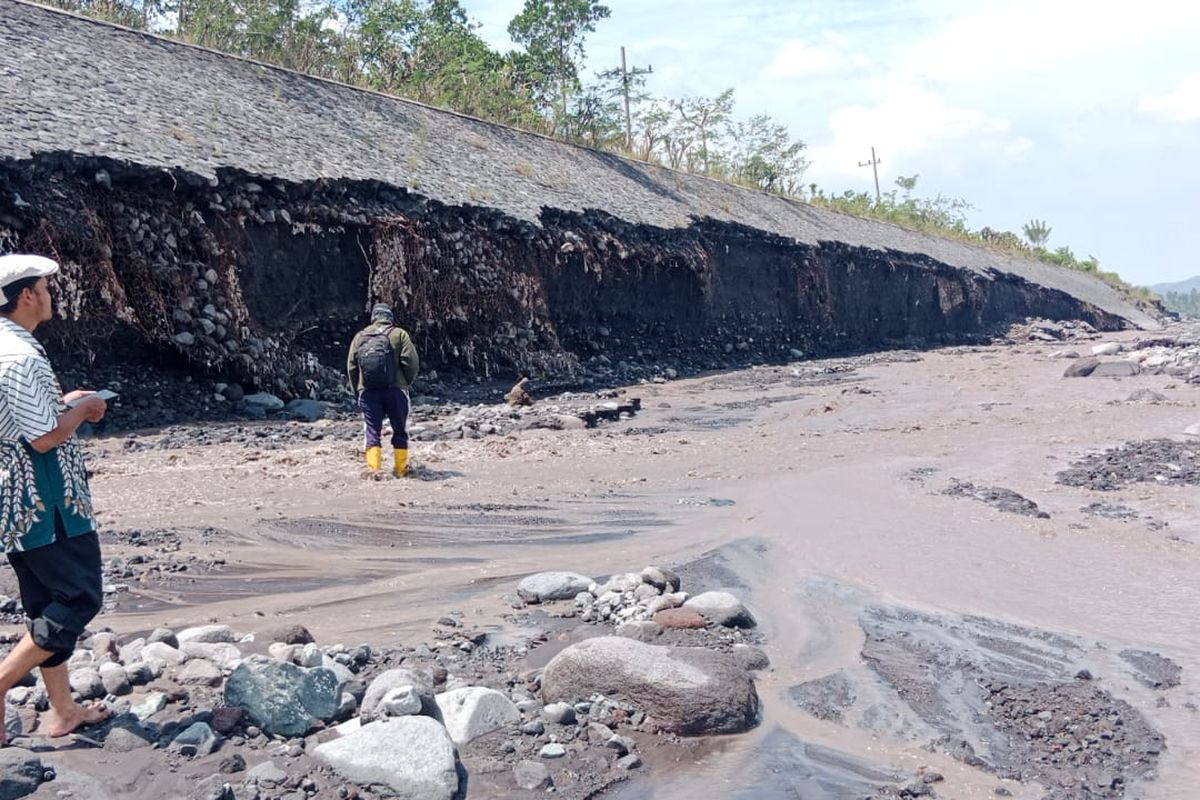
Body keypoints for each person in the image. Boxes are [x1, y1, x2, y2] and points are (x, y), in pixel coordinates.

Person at [0, 254, 111, 745]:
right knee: (78, 597)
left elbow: (27, 419)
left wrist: (65, 403)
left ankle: (64, 711)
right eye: (46, 286)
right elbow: (43, 437)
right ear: (27, 295)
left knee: (45, 604)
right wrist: (84, 410)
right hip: (49, 505)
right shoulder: (21, 356)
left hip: (17, 503)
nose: (51, 294)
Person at [346, 303, 419, 477]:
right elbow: (411, 362)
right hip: (396, 390)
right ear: (390, 318)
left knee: (372, 430)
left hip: (369, 391)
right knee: (400, 430)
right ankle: (401, 471)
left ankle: (374, 471)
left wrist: (359, 389)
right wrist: (406, 382)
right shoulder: (399, 334)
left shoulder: (360, 337)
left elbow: (351, 366)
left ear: (373, 318)